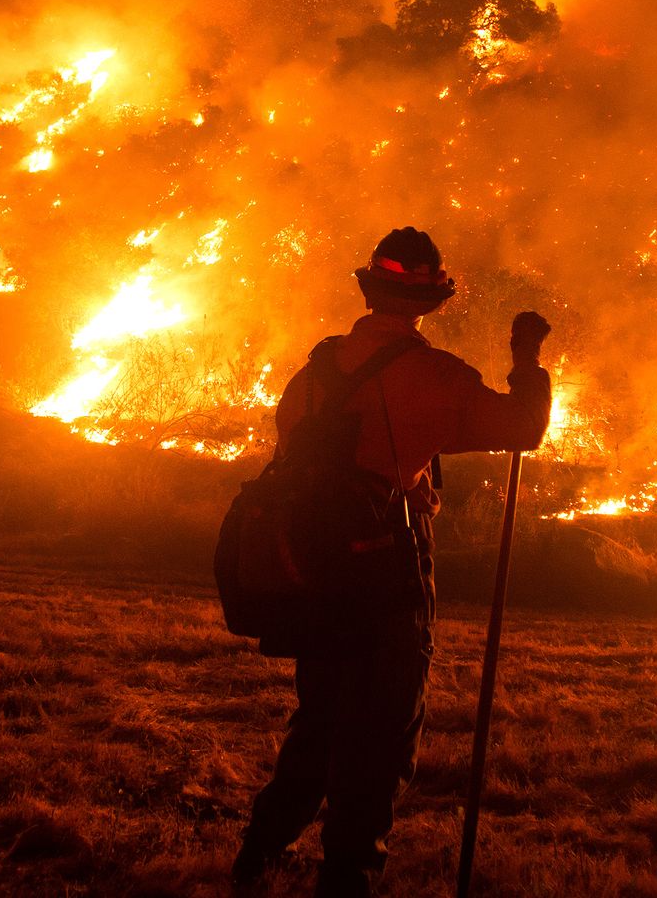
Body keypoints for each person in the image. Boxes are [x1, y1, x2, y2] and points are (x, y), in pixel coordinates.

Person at [233, 227, 552, 897]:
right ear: (430, 299)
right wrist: (527, 357)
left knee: (319, 722)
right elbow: (521, 427)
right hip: (385, 580)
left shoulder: (318, 367)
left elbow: (299, 443)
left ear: (370, 290)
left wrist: (393, 473)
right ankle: (346, 880)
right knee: (378, 742)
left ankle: (256, 856)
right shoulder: (432, 376)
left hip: (314, 575)